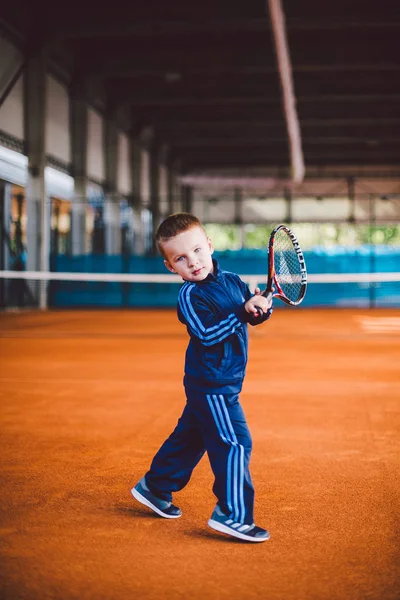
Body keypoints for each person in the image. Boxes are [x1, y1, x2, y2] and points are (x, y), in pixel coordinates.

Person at [131, 213, 273, 542]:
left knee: (191, 438)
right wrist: (241, 312)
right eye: (180, 258)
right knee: (235, 443)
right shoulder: (190, 298)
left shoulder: (233, 281)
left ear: (209, 245)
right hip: (212, 385)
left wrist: (258, 309)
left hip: (225, 380)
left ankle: (155, 486)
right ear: (171, 267)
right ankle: (233, 514)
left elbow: (247, 314)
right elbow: (208, 334)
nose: (193, 262)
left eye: (196, 250)